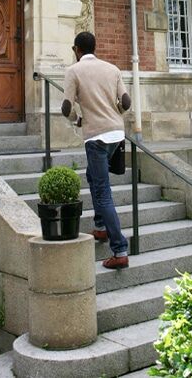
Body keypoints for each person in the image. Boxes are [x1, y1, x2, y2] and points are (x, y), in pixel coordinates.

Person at [62, 31, 131, 269]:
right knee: (93, 176)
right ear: (95, 47)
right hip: (117, 134)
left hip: (96, 137)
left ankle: (120, 249)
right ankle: (100, 226)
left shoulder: (74, 71)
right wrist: (114, 115)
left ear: (77, 50)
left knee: (102, 192)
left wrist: (78, 120)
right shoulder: (112, 69)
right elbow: (126, 102)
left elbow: (66, 108)